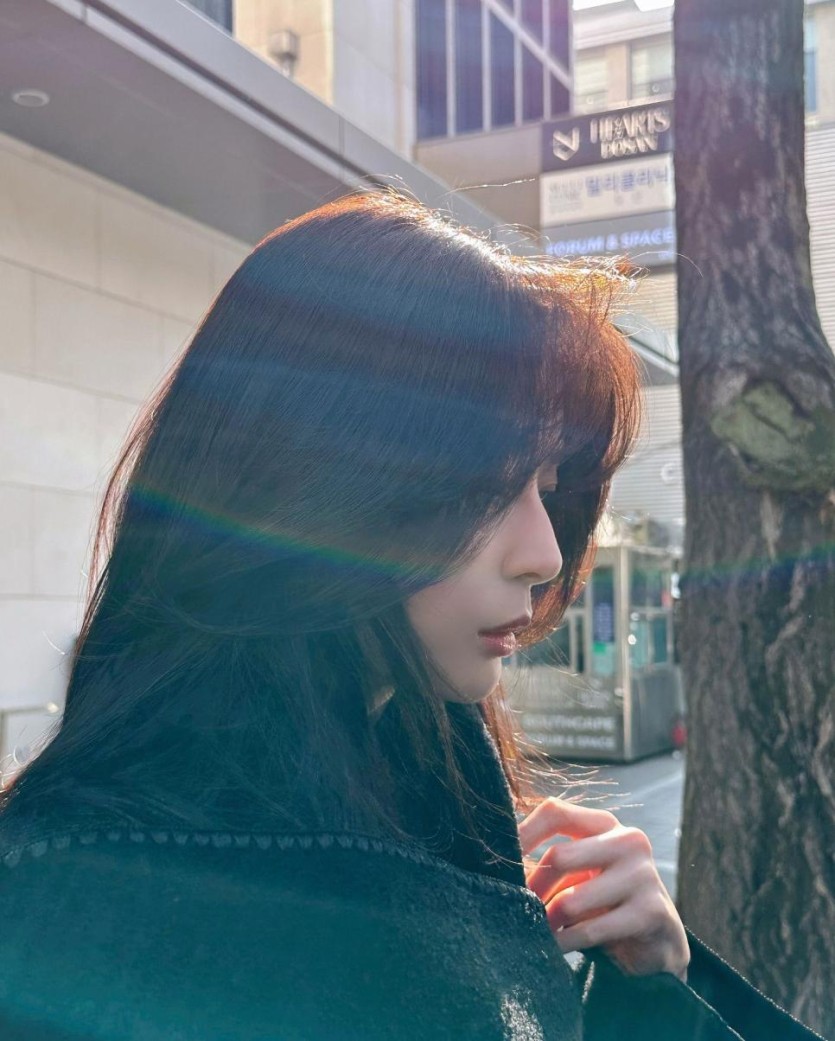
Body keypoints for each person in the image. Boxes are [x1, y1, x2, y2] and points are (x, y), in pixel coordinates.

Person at [0, 191, 824, 1040]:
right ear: (306, 496)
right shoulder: (85, 922)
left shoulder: (435, 811)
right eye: (484, 486)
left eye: (545, 488)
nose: (544, 554)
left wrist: (650, 982)